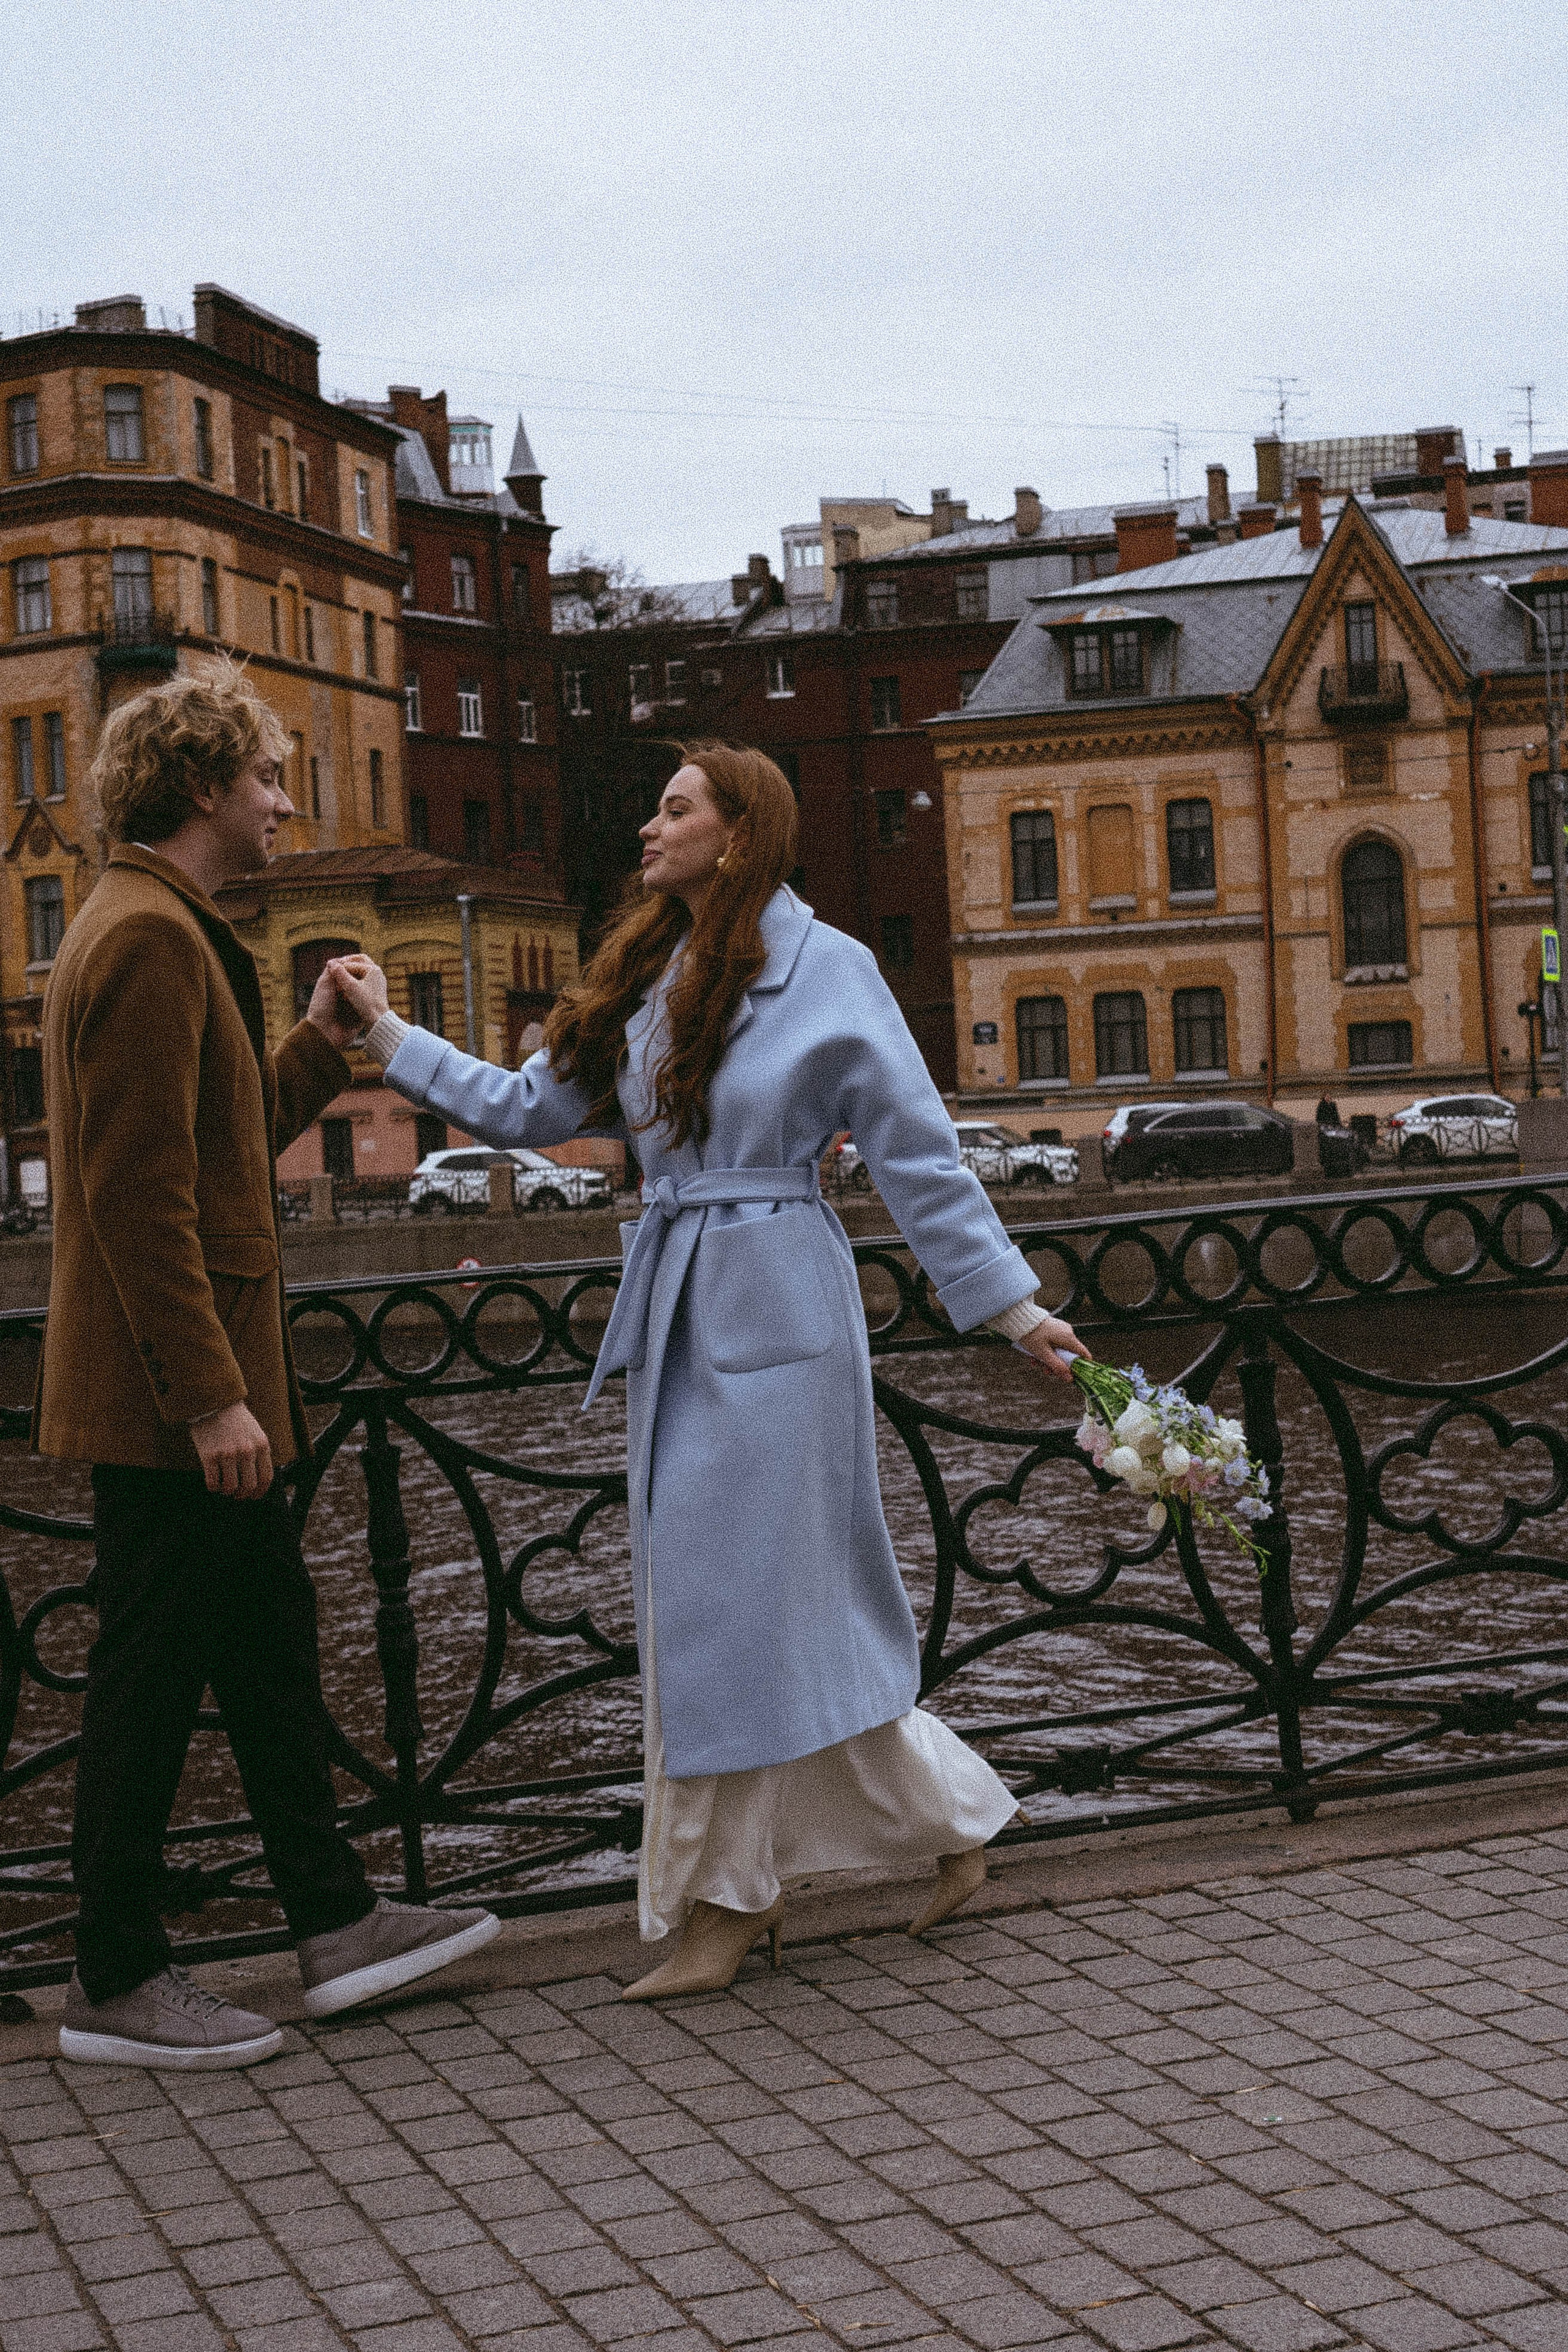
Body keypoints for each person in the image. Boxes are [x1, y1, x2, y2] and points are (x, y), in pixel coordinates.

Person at [326, 744, 1086, 2000]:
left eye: (674, 808)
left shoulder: (827, 969)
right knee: (748, 1607)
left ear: (739, 835)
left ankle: (732, 1903)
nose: (647, 825)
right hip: (685, 1298)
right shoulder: (649, 965)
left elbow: (916, 1150)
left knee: (731, 1607)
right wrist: (388, 1031)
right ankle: (951, 1825)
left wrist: (1011, 1309)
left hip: (779, 1294)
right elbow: (526, 1108)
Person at [37, 664, 499, 2068]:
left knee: (269, 1652)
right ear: (199, 790)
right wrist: (212, 1396)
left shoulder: (157, 926)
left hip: (196, 1393)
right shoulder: (147, 942)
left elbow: (220, 1141)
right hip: (178, 1401)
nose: (288, 807)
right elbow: (136, 1198)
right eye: (267, 783)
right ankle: (116, 1976)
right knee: (148, 1677)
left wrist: (318, 1043)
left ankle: (335, 1922)